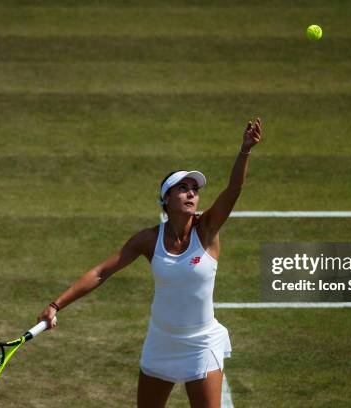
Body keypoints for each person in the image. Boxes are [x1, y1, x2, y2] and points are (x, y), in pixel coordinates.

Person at [37, 118, 263, 407]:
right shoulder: (146, 240)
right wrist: (56, 305)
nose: (192, 193)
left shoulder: (207, 230)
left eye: (195, 188)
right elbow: (101, 272)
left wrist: (245, 151)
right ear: (166, 198)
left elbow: (233, 190)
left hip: (201, 343)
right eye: (183, 188)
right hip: (162, 342)